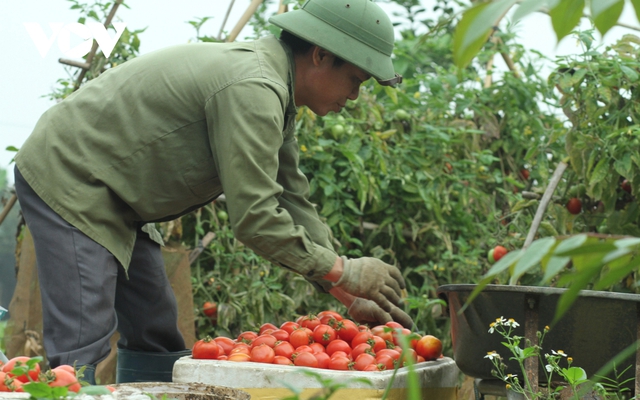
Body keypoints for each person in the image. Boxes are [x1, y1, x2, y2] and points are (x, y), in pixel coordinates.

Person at [13, 0, 413, 384]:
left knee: (156, 332)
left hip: (117, 196)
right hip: (72, 175)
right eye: (356, 80)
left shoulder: (277, 93)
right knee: (84, 339)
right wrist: (348, 271)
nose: (355, 96)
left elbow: (293, 201)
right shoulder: (254, 85)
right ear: (321, 56)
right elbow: (256, 219)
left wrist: (345, 292)